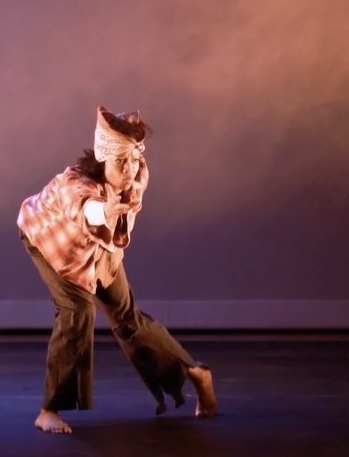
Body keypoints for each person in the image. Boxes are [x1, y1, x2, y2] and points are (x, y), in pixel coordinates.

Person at [17, 105, 218, 434]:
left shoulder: (137, 174)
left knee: (127, 317)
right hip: (52, 242)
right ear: (101, 160)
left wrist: (114, 204)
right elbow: (87, 208)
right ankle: (49, 410)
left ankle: (193, 372)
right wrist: (105, 209)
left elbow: (113, 216)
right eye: (120, 162)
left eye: (133, 160)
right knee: (78, 310)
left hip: (98, 246)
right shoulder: (74, 183)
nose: (129, 168)